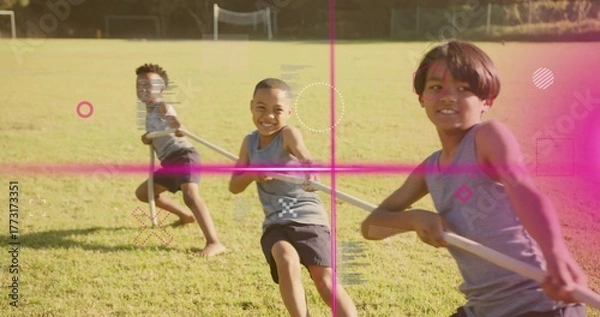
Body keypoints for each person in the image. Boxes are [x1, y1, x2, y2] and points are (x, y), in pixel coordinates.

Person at [360, 41, 588, 317]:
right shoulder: (429, 170)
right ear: (421, 98)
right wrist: (414, 219)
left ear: (486, 101)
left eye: (463, 88)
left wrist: (555, 255)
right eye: (435, 87)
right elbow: (372, 228)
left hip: (540, 304)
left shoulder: (488, 137)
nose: (447, 96)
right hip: (484, 309)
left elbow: (524, 191)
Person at [228, 78, 357, 317]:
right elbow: (234, 186)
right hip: (276, 223)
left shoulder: (288, 134)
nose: (268, 116)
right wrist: (252, 174)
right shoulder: (249, 142)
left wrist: (312, 172)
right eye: (261, 108)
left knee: (324, 278)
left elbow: (305, 156)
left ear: (288, 111)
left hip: (308, 218)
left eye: (277, 110)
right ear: (251, 106)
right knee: (285, 259)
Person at [134, 63, 226, 257]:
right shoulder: (148, 112)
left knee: (191, 196)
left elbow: (173, 120)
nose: (142, 88)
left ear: (162, 89)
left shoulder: (161, 106)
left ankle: (214, 242)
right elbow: (155, 134)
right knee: (144, 193)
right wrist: (147, 137)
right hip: (169, 163)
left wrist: (178, 125)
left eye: (148, 85)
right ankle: (185, 216)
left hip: (184, 156)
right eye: (139, 84)